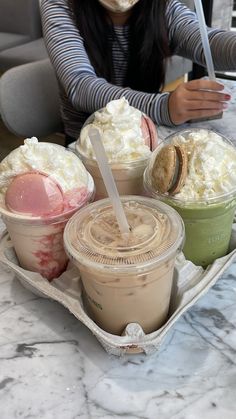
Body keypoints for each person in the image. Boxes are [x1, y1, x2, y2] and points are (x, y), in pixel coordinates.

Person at [41, 0, 235, 145]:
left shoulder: (163, 8)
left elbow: (206, 42)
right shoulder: (61, 5)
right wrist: (164, 107)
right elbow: (80, 86)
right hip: (88, 143)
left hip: (146, 137)